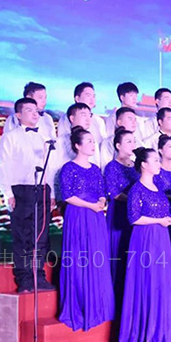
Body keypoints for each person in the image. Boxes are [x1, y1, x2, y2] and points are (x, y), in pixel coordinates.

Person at [114, 148, 171, 342]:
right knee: (148, 280)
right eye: (155, 160)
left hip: (161, 238)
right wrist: (159, 221)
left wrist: (165, 220)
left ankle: (164, 330)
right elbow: (134, 218)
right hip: (145, 239)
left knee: (162, 281)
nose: (158, 164)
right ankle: (147, 331)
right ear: (144, 164)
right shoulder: (137, 189)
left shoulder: (158, 188)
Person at [0, 97, 57, 292]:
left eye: (36, 110)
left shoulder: (45, 137)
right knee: (23, 235)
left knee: (41, 236)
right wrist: (8, 193)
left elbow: (51, 167)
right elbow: (3, 166)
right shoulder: (10, 137)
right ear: (18, 115)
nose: (34, 114)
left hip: (42, 189)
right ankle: (24, 278)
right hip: (21, 190)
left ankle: (39, 276)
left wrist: (52, 192)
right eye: (29, 110)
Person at [58, 126, 114, 331]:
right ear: (77, 145)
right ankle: (80, 305)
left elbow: (102, 191)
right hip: (78, 216)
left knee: (97, 258)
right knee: (79, 258)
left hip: (96, 217)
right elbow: (68, 195)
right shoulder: (68, 168)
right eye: (88, 141)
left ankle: (99, 306)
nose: (93, 144)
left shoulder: (95, 169)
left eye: (93, 141)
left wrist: (101, 202)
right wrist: (91, 205)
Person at [104, 127, 139, 296]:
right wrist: (135, 201)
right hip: (120, 211)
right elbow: (114, 193)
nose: (133, 145)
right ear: (118, 145)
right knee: (119, 250)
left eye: (133, 141)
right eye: (128, 142)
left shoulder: (138, 166)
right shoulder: (112, 166)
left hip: (137, 214)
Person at [53, 103, 101, 197]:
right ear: (72, 118)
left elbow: (97, 165)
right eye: (83, 115)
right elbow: (53, 169)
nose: (88, 119)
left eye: (90, 115)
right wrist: (53, 195)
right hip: (68, 192)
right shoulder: (60, 141)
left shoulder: (92, 140)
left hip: (91, 193)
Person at [100, 107, 144, 171]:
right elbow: (105, 165)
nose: (134, 122)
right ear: (119, 122)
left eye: (135, 120)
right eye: (130, 119)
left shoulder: (139, 142)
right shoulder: (109, 141)